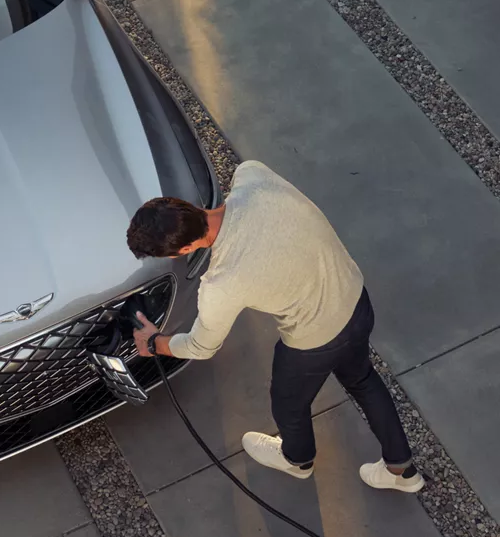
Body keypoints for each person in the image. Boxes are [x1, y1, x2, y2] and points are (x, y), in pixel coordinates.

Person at [126, 160, 423, 492]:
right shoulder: (253, 175)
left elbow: (202, 346)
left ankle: (297, 461)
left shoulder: (222, 282)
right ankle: (401, 471)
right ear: (188, 206)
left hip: (315, 341)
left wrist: (155, 343)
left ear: (184, 249)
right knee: (362, 378)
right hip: (355, 300)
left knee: (289, 402)